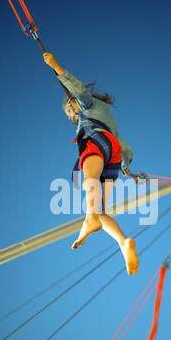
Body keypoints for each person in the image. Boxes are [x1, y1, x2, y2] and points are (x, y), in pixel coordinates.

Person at [43, 52, 139, 275]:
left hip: (96, 141)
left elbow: (77, 89)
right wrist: (128, 169)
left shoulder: (86, 104)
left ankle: (89, 220)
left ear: (73, 105)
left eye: (70, 113)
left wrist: (55, 65)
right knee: (100, 208)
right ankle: (123, 242)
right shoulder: (109, 120)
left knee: (89, 181)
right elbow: (124, 148)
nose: (72, 117)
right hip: (113, 151)